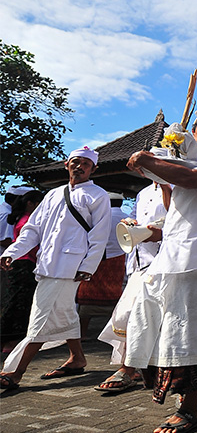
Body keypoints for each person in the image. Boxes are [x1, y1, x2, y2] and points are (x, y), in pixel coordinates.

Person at [124, 102, 197, 433]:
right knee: (157, 329)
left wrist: (151, 162)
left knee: (191, 334)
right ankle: (173, 397)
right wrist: (158, 173)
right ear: (193, 131)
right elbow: (176, 201)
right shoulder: (181, 161)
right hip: (169, 258)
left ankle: (190, 410)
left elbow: (192, 181)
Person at [0, 147, 110, 390]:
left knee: (39, 320)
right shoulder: (52, 195)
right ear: (66, 164)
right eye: (75, 162)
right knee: (65, 313)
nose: (79, 167)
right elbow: (33, 229)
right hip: (47, 263)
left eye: (85, 164)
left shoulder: (97, 196)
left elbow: (99, 236)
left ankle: (15, 371)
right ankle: (78, 358)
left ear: (93, 169)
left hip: (70, 267)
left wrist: (88, 266)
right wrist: (13, 251)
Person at [95, 181, 171, 393]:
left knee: (139, 315)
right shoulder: (144, 192)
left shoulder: (177, 185)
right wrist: (131, 222)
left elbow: (181, 222)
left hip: (162, 260)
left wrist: (160, 234)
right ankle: (137, 367)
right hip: (138, 261)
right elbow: (138, 216)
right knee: (128, 314)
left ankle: (130, 368)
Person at [77, 192, 129, 338]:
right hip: (119, 259)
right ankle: (117, 333)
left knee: (86, 295)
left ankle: (82, 333)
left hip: (96, 259)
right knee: (117, 294)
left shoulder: (98, 217)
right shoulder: (127, 218)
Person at [1, 190, 44, 356]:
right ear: (30, 203)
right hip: (25, 264)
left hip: (20, 263)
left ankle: (7, 338)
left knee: (13, 300)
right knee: (21, 302)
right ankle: (12, 340)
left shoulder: (21, 219)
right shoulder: (28, 221)